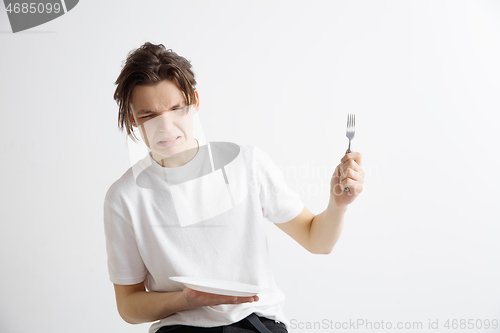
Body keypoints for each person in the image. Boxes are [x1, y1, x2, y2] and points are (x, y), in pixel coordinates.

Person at [103, 42, 365, 333]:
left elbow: (318, 241)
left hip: (256, 322)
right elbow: (128, 305)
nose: (166, 127)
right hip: (181, 327)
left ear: (194, 101)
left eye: (176, 108)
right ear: (132, 118)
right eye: (149, 115)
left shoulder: (246, 164)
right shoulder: (125, 197)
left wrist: (337, 205)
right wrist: (186, 300)